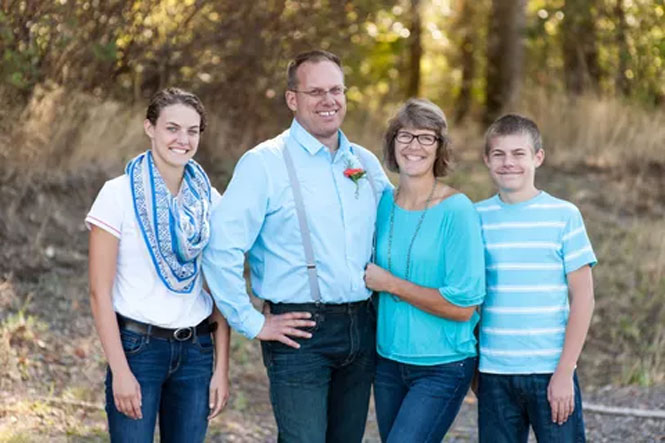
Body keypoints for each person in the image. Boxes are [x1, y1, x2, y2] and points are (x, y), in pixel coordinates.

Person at [202, 50, 391, 442]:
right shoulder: (264, 163)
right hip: (300, 332)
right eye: (316, 91)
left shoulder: (364, 162)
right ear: (293, 99)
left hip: (363, 326)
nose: (329, 101)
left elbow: (400, 228)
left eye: (336, 90)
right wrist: (253, 322)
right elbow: (221, 249)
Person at [86, 87, 230, 443]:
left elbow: (222, 289)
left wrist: (221, 368)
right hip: (138, 350)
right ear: (149, 127)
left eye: (192, 131)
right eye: (172, 128)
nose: (183, 139)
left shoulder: (210, 200)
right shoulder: (116, 195)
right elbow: (98, 293)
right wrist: (120, 369)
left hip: (196, 352)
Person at [363, 98, 485, 442]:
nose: (414, 145)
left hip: (442, 365)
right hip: (388, 362)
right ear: (392, 143)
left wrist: (391, 284)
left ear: (439, 147)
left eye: (426, 137)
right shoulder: (382, 202)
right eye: (405, 135)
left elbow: (463, 308)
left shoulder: (457, 210)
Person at [475, 114, 596, 442]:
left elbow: (583, 297)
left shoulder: (563, 215)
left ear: (537, 158)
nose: (508, 163)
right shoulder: (475, 217)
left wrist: (565, 371)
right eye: (498, 154)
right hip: (494, 373)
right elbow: (470, 296)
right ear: (487, 159)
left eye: (519, 154)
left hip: (550, 370)